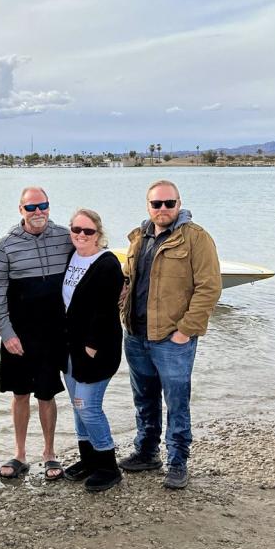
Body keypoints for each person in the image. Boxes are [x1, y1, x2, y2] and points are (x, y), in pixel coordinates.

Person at [119, 179, 221, 489]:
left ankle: (178, 461)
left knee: (177, 402)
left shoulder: (196, 239)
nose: (162, 209)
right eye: (156, 204)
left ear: (179, 204)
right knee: (144, 399)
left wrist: (185, 330)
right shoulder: (139, 237)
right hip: (136, 334)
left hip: (171, 338)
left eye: (169, 203)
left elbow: (209, 287)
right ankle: (147, 452)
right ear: (148, 206)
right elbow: (128, 279)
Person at [0, 186, 72, 480]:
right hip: (19, 333)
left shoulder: (65, 237)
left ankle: (49, 453)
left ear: (49, 206)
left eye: (43, 206)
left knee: (47, 394)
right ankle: (20, 453)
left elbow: (89, 262)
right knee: (20, 393)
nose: (38, 212)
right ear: (20, 210)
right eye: (31, 208)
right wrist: (5, 332)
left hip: (53, 332)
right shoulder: (6, 245)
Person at [61, 209, 125, 492]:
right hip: (69, 348)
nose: (81, 235)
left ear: (99, 234)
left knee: (88, 405)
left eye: (88, 231)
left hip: (96, 349)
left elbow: (105, 310)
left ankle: (108, 466)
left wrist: (91, 346)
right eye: (76, 230)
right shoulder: (70, 256)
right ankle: (88, 460)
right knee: (77, 406)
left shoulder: (107, 263)